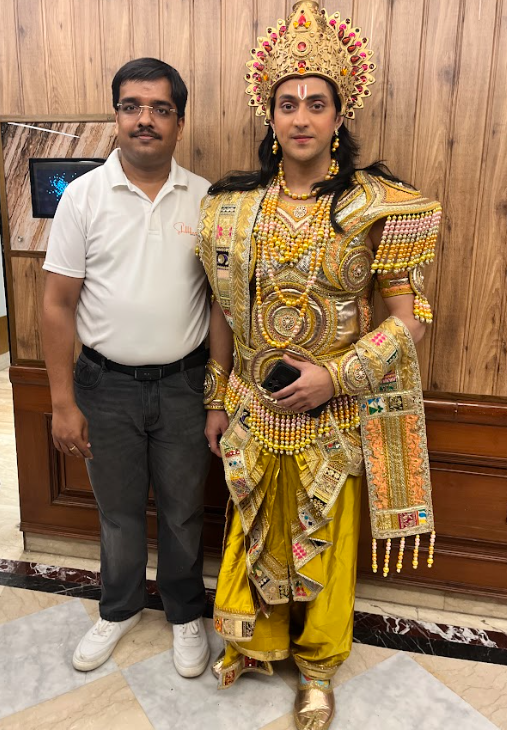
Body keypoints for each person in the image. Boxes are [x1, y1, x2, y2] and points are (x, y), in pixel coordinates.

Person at [198, 3, 441, 728]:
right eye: (287, 103)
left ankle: (319, 668)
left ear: (339, 115)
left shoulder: (378, 206)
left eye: (315, 102)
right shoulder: (231, 208)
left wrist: (335, 377)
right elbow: (222, 313)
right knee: (253, 528)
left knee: (323, 546)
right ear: (269, 116)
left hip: (333, 412)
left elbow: (410, 318)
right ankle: (258, 642)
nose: (300, 116)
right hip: (252, 406)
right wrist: (216, 399)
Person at [42, 57, 211, 678]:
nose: (146, 119)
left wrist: (219, 395)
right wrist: (62, 402)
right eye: (132, 106)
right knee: (116, 510)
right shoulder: (83, 196)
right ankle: (118, 609)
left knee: (183, 510)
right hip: (104, 385)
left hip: (185, 385)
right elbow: (57, 304)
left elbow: (220, 304)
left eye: (161, 109)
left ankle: (185, 612)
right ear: (116, 116)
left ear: (179, 122)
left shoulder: (207, 199)